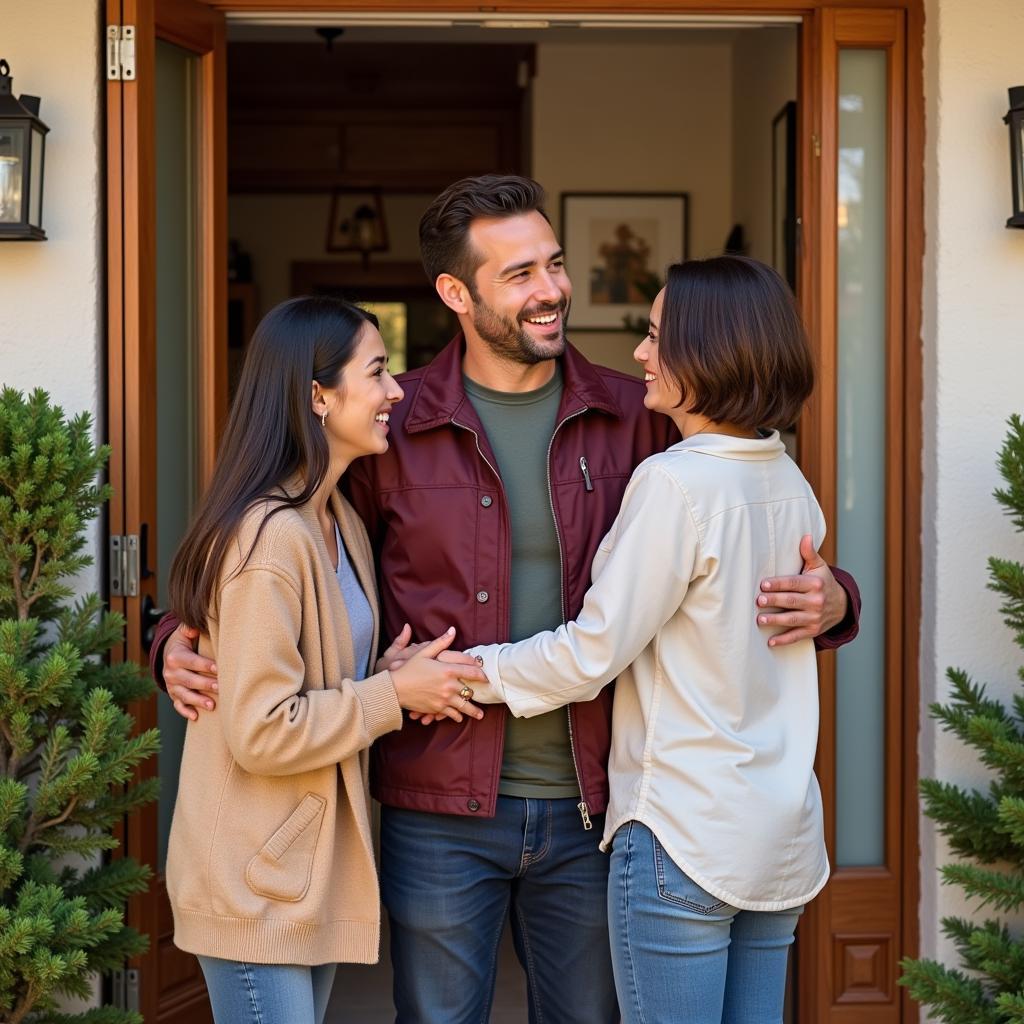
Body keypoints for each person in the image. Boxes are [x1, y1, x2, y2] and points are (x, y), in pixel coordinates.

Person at [151, 176, 861, 1024]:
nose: (552, 290)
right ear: (457, 293)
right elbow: (276, 549)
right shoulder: (390, 423)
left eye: (554, 264)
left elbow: (748, 520)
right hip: (440, 808)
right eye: (520, 274)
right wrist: (174, 639)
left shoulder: (640, 417)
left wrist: (836, 599)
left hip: (594, 805)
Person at [463, 256, 831, 1024]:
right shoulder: (789, 481)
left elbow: (592, 654)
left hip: (686, 832)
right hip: (779, 832)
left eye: (657, 336)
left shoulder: (675, 483)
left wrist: (472, 670)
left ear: (706, 352)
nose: (640, 354)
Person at [162, 296, 486, 1024]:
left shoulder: (334, 517)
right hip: (254, 882)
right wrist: (391, 698)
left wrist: (386, 676)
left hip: (299, 875)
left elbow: (312, 681)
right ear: (317, 395)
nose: (395, 393)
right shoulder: (268, 540)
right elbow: (263, 730)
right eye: (377, 373)